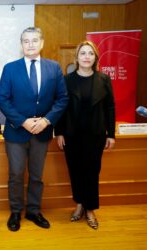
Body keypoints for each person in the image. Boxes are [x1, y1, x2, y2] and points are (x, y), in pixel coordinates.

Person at [0, 27, 68, 232]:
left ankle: (34, 211)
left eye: (34, 40)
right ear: (21, 45)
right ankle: (16, 212)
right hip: (16, 132)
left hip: (42, 132)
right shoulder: (10, 68)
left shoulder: (53, 68)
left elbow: (62, 98)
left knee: (37, 175)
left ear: (41, 43)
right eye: (26, 41)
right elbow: (3, 99)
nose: (30, 44)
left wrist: (46, 121)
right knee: (16, 174)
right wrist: (23, 121)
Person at [55, 41, 115, 230]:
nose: (87, 56)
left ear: (95, 57)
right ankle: (79, 204)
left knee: (91, 172)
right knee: (75, 171)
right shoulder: (67, 80)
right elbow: (60, 107)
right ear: (77, 57)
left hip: (95, 135)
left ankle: (90, 209)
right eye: (83, 53)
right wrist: (59, 132)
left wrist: (111, 134)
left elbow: (110, 107)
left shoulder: (104, 79)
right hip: (72, 135)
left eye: (90, 53)